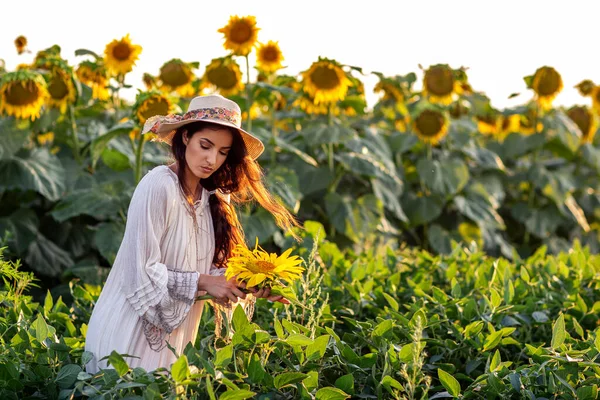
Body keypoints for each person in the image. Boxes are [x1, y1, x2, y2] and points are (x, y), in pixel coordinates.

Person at [84, 94, 300, 373]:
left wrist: (249, 282)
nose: (212, 159)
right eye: (205, 145)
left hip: (177, 343)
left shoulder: (217, 197)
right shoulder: (158, 185)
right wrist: (206, 281)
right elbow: (140, 271)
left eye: (223, 152)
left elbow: (208, 273)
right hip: (125, 335)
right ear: (185, 137)